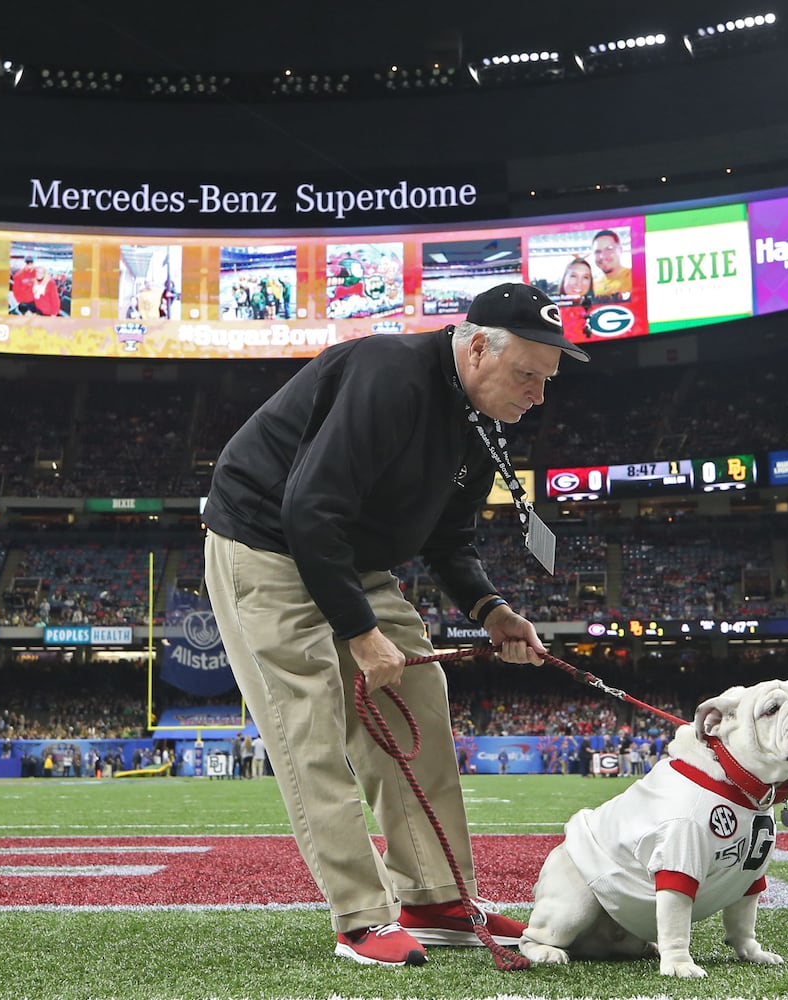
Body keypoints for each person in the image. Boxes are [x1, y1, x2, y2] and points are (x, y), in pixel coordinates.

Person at [204, 281, 589, 967]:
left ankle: (436, 898)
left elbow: (449, 538)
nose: (539, 395)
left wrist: (492, 611)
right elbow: (309, 507)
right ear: (477, 348)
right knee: (310, 722)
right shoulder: (388, 376)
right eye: (528, 375)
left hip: (351, 553)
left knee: (419, 701)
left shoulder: (478, 420)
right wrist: (359, 631)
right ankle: (359, 916)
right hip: (267, 542)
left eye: (547, 379)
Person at [590, 229, 632, 302]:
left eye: (609, 249)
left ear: (620, 250)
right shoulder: (591, 285)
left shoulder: (635, 277)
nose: (602, 256)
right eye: (597, 251)